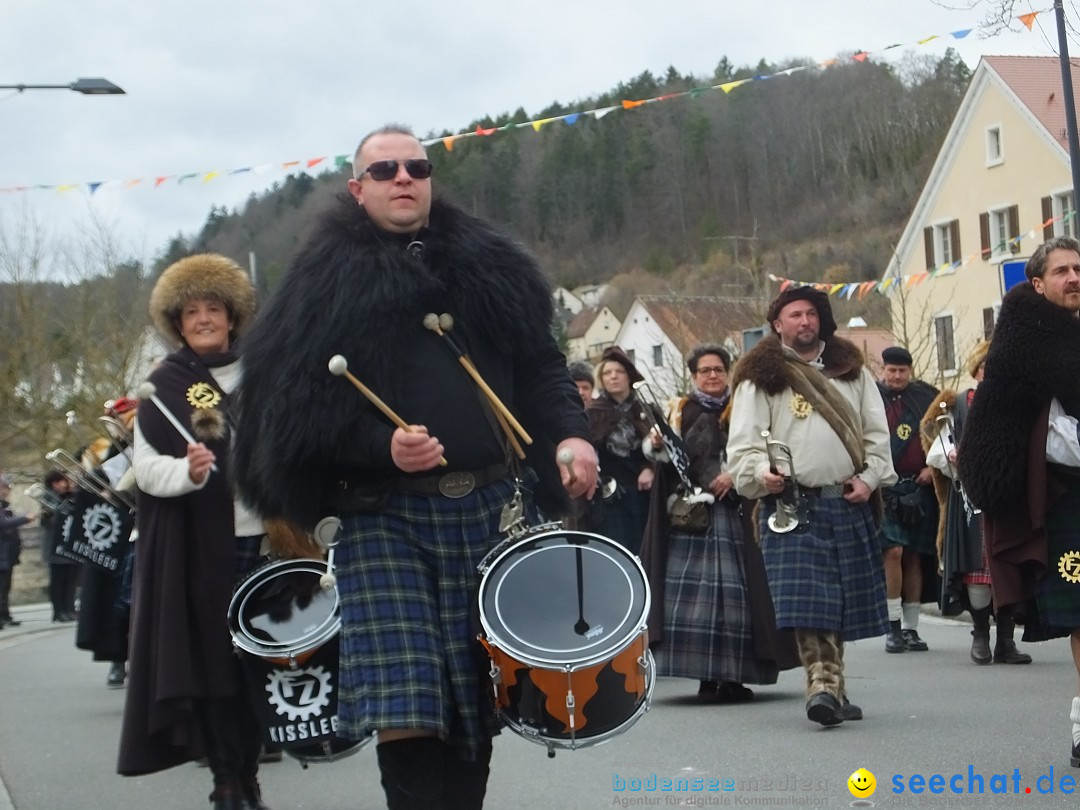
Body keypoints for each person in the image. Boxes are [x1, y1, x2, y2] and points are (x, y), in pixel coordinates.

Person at [231, 124, 597, 810]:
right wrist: (381, 448)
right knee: (409, 697)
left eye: (417, 167)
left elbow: (542, 369)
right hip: (382, 517)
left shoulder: (491, 266)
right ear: (357, 187)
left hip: (489, 508)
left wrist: (572, 439)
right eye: (386, 169)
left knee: (474, 696)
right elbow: (289, 412)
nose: (404, 178)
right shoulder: (320, 286)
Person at [117, 253, 271, 810]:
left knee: (259, 664)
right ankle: (228, 780)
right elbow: (149, 471)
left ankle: (249, 771)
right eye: (192, 311)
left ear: (232, 316)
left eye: (214, 308)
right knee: (215, 665)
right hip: (202, 551)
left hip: (269, 543)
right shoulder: (163, 387)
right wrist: (190, 471)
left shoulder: (265, 374)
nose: (204, 318)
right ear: (177, 323)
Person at [727, 287, 895, 727]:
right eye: (794, 315)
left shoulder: (851, 371)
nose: (804, 321)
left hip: (845, 499)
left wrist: (870, 478)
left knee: (835, 601)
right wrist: (762, 473)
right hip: (791, 504)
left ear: (821, 320)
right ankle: (820, 683)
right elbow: (744, 444)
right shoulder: (760, 375)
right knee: (810, 602)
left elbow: (877, 434)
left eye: (811, 314)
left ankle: (834, 687)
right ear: (778, 324)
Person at [958, 235, 1080, 767]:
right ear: (1037, 283)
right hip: (1064, 498)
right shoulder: (1021, 342)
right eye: (1061, 272)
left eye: (1079, 269)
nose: (1074, 278)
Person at [640, 344, 795, 704]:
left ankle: (736, 677)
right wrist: (657, 445)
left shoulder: (743, 408)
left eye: (718, 369)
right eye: (705, 370)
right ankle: (706, 677)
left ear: (728, 373)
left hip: (736, 512)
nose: (712, 375)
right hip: (691, 517)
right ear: (694, 376)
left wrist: (733, 475)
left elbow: (759, 449)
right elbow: (665, 458)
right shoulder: (679, 411)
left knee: (740, 599)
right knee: (692, 604)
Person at [921, 341, 1031, 665]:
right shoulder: (957, 404)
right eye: (988, 365)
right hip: (968, 497)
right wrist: (951, 456)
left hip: (1008, 496)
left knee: (1008, 568)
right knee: (977, 571)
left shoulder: (1017, 403)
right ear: (978, 369)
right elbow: (934, 449)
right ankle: (981, 634)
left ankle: (1006, 642)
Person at [876, 346, 939, 653]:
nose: (897, 376)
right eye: (891, 370)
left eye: (902, 371)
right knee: (894, 552)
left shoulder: (926, 398)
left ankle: (911, 629)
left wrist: (933, 466)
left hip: (919, 487)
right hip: (884, 488)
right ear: (883, 369)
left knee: (915, 555)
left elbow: (943, 436)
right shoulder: (870, 399)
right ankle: (892, 627)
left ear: (909, 371)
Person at [586, 346, 660, 555]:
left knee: (646, 550)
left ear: (629, 376)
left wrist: (651, 468)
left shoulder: (647, 409)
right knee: (615, 551)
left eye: (619, 372)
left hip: (644, 493)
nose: (613, 377)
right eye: (607, 373)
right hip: (609, 496)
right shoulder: (593, 413)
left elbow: (668, 448)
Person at [39, 469, 78, 623]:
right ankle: (58, 611)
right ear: (54, 483)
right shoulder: (47, 498)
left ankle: (69, 608)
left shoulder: (69, 497)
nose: (66, 484)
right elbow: (49, 522)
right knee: (58, 580)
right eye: (63, 481)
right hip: (55, 547)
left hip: (69, 545)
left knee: (71, 580)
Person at [0, 474, 32, 629]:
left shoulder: (5, 506)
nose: (5, 491)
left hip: (8, 552)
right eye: (3, 488)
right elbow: (3, 524)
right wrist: (25, 519)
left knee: (6, 587)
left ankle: (5, 615)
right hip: (2, 553)